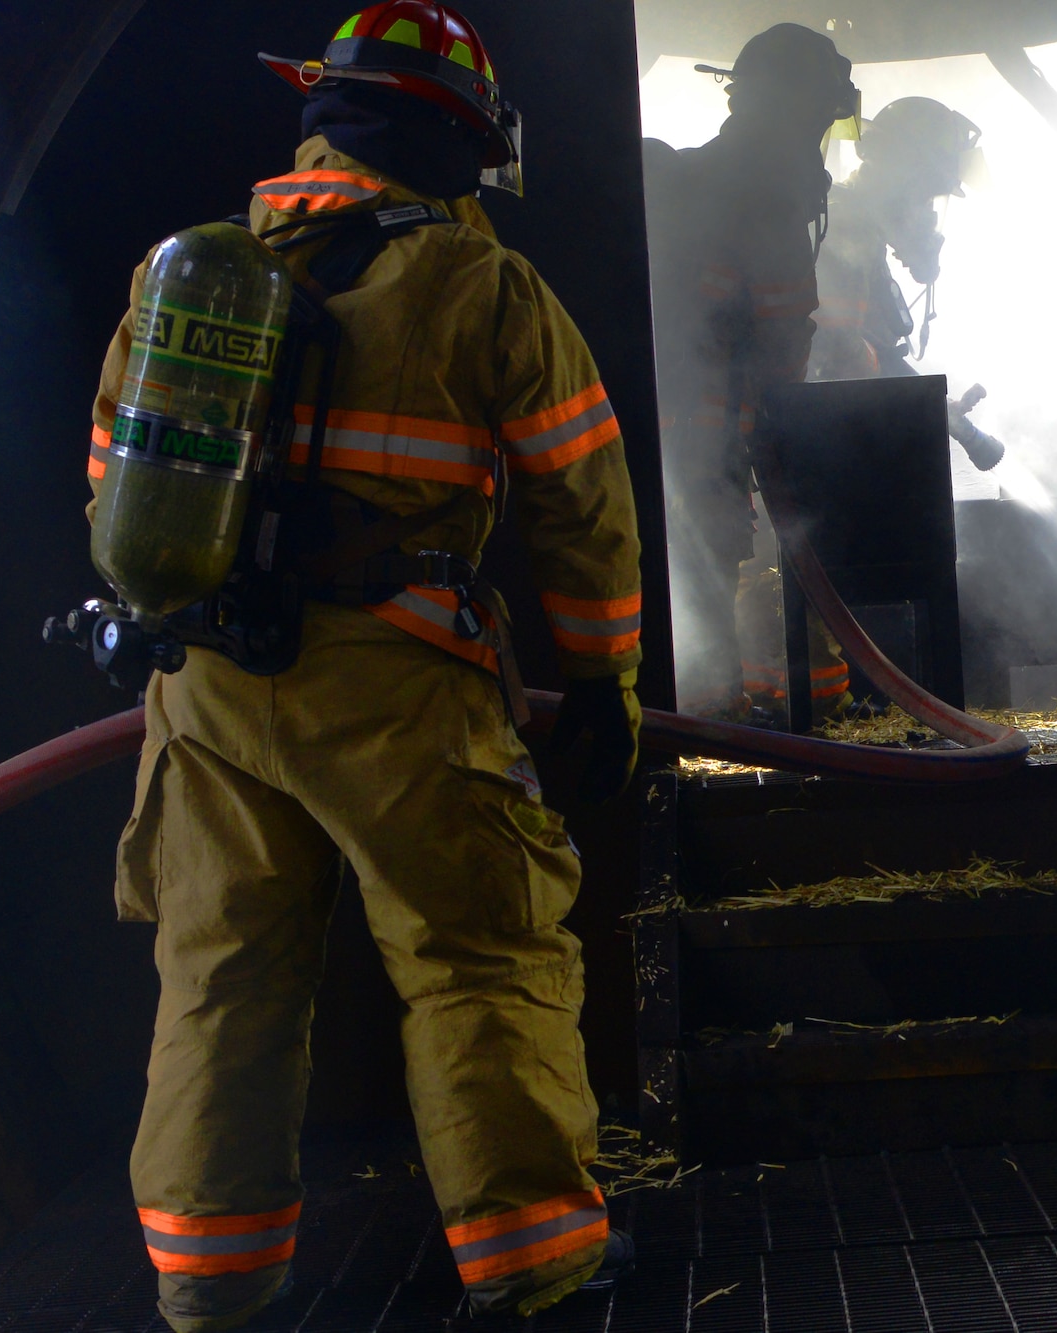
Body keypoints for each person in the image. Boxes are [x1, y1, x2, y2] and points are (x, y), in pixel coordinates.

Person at [90, 5, 640, 1328]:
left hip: (209, 686)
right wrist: (604, 676)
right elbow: (580, 492)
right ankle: (535, 1262)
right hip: (399, 683)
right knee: (478, 954)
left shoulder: (193, 282)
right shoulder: (477, 284)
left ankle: (208, 1284)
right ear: (452, 135)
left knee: (223, 973)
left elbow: (115, 488)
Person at [641, 23, 859, 720]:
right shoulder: (757, 196)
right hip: (706, 428)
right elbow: (780, 333)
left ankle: (715, 714)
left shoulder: (715, 181)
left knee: (704, 562)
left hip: (692, 426)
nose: (819, 137)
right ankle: (710, 725)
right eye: (819, 116)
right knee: (706, 564)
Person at [808, 96, 1009, 474]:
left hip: (848, 441)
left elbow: (866, 355)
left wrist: (936, 408)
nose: (928, 212)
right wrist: (921, 402)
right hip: (839, 453)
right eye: (926, 193)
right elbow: (841, 357)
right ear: (903, 177)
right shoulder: (845, 231)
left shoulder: (859, 229)